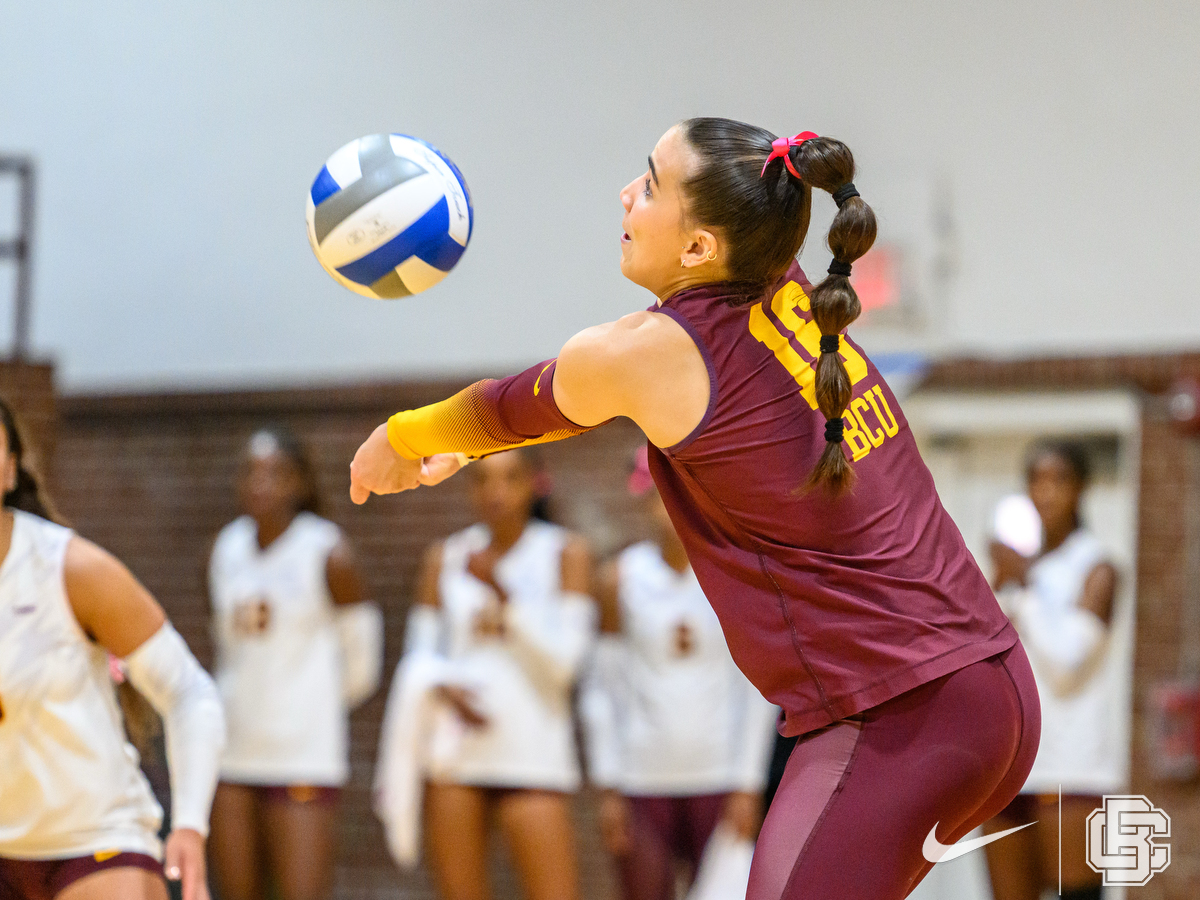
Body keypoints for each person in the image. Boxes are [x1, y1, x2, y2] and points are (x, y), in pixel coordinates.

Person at [348, 118, 1041, 900]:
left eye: (648, 183)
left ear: (699, 248)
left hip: (902, 715)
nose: (625, 194)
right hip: (988, 688)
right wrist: (455, 446)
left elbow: (515, 407)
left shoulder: (653, 351)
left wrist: (402, 437)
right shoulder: (792, 288)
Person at [0, 397, 225, 900]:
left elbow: (190, 691)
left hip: (95, 843)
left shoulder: (71, 570)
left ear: (10, 469)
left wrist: (189, 824)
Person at [397, 448, 595, 900]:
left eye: (509, 478)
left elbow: (564, 666)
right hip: (457, 755)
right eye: (483, 480)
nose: (495, 492)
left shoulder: (566, 552)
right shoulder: (445, 557)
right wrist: (446, 688)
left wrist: (504, 597)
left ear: (533, 483)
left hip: (534, 754)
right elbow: (419, 660)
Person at [581, 447, 777, 900]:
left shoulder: (735, 574)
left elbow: (756, 686)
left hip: (719, 775)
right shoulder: (620, 578)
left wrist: (749, 783)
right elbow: (601, 689)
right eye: (657, 495)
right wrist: (608, 784)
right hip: (641, 779)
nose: (669, 508)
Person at [207, 428, 381, 900]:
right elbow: (226, 646)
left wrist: (307, 705)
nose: (260, 484)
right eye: (250, 472)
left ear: (300, 483)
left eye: (275, 473)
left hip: (302, 755)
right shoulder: (227, 548)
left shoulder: (328, 551)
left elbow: (362, 664)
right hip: (233, 751)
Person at [983, 442, 1120, 900]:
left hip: (1073, 768)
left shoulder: (1097, 567)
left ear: (1081, 488)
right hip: (1009, 765)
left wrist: (1023, 585)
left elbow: (1065, 668)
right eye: (1036, 480)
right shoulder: (1019, 568)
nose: (1046, 492)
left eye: (1058, 479)